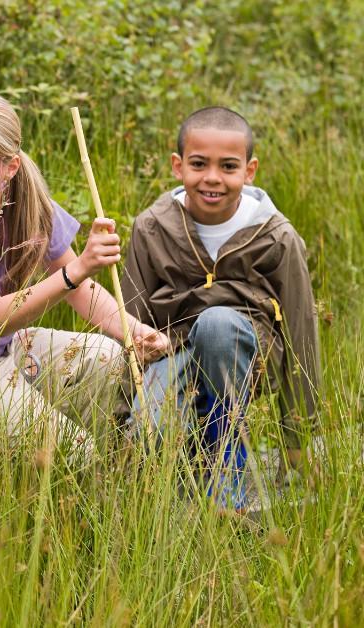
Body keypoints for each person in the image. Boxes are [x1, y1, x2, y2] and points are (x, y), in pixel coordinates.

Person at [0, 90, 169, 462]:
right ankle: (73, 458)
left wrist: (130, 329)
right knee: (73, 453)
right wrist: (77, 270)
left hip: (9, 350)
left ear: (9, 168)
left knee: (111, 360)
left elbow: (82, 291)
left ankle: (116, 457)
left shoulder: (27, 202)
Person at [121, 106, 320, 508]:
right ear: (178, 166)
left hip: (248, 353)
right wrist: (125, 409)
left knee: (215, 325)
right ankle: (191, 452)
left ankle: (227, 465)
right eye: (198, 164)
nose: (212, 178)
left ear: (249, 171)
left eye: (228, 166)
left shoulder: (276, 235)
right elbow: (127, 318)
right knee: (146, 432)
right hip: (173, 352)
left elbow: (301, 328)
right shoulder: (152, 227)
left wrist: (299, 437)